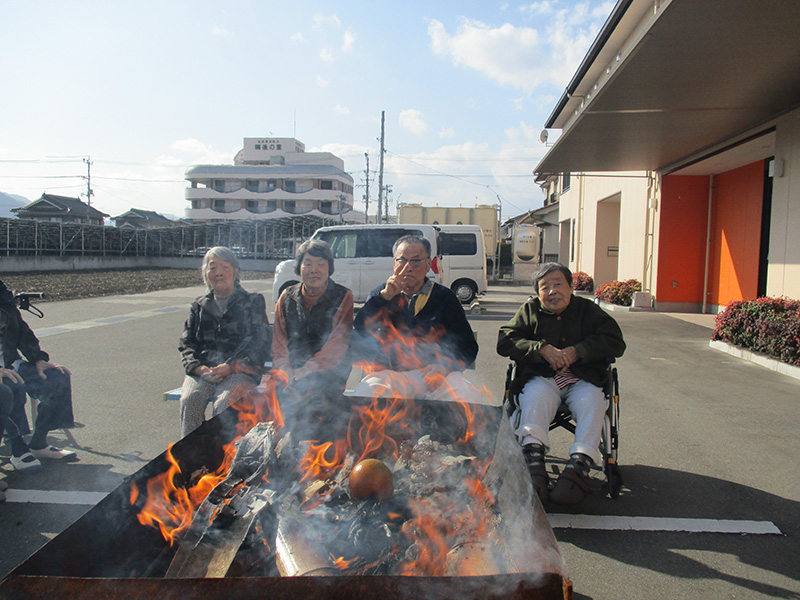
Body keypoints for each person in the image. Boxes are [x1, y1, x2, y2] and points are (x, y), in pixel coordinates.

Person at [497, 263, 626, 505]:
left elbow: (615, 342)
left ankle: (580, 463)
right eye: (545, 287)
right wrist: (541, 349)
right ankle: (533, 459)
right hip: (543, 378)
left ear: (571, 287)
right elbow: (506, 340)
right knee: (534, 396)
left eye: (558, 284)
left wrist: (579, 351)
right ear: (538, 293)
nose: (552, 291)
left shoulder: (588, 311)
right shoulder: (530, 310)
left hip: (583, 378)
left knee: (592, 402)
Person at [352, 235, 485, 403]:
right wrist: (384, 298)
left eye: (416, 261)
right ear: (394, 263)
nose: (408, 267)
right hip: (390, 375)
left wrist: (445, 367)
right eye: (402, 260)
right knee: (364, 395)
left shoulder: (445, 297)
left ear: (429, 264)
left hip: (434, 375)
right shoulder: (382, 294)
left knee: (467, 396)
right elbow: (361, 330)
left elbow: (468, 346)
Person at [178, 246, 271, 437]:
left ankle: (224, 462)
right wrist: (197, 368)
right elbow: (187, 343)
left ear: (236, 271)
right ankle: (192, 461)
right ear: (205, 272)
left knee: (225, 404)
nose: (218, 273)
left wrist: (230, 366)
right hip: (204, 372)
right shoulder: (199, 306)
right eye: (212, 267)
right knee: (190, 400)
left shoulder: (252, 302)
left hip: (240, 371)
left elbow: (258, 342)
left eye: (225, 267)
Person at [271, 239, 353, 436]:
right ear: (299, 268)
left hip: (330, 369)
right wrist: (284, 368)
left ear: (329, 268)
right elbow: (279, 340)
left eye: (320, 264)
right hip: (293, 368)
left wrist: (304, 371)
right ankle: (285, 451)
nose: (313, 270)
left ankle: (321, 454)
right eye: (307, 263)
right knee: (274, 395)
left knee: (318, 398)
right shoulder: (286, 297)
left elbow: (336, 346)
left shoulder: (343, 296)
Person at [0, 278, 77, 478]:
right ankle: (17, 447)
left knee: (56, 377)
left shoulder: (2, 294)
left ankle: (39, 442)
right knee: (9, 388)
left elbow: (22, 331)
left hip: (9, 364)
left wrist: (37, 359)